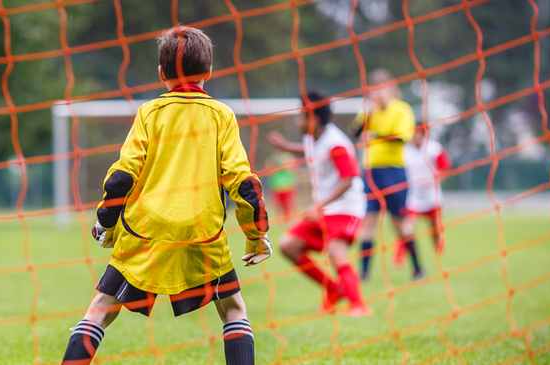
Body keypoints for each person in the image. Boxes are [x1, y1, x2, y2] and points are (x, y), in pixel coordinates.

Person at [60, 25, 270, 365]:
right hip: (202, 233)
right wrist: (255, 235)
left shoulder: (149, 112)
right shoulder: (222, 115)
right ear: (210, 71)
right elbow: (243, 184)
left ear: (161, 74)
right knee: (233, 311)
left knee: (99, 310)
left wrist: (106, 223)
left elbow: (121, 178)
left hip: (145, 232)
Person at [267, 91, 371, 316]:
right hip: (324, 209)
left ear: (313, 120)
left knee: (336, 250)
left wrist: (319, 205)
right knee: (288, 245)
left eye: (300, 116)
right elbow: (309, 151)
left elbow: (349, 177)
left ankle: (359, 305)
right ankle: (334, 289)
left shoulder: (336, 143)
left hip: (346, 208)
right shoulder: (311, 138)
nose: (297, 120)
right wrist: (285, 146)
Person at [351, 69, 419, 281]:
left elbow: (402, 138)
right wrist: (369, 113)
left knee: (399, 223)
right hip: (371, 172)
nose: (377, 91)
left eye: (381, 86)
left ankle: (418, 268)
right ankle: (364, 273)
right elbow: (354, 132)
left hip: (394, 172)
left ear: (391, 87)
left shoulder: (402, 109)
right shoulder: (369, 110)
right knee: (368, 221)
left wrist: (375, 135)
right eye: (374, 87)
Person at [396, 122, 452, 267]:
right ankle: (398, 257)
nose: (414, 136)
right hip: (412, 196)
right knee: (407, 226)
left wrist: (436, 181)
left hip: (432, 196)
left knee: (434, 227)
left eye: (417, 133)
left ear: (424, 134)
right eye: (413, 133)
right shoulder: (404, 150)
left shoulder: (434, 149)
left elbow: (445, 167)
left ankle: (439, 249)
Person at [264, 147, 299, 219]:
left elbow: (292, 168)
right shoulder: (271, 159)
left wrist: (282, 165)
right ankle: (281, 221)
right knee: (278, 206)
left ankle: (290, 220)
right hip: (276, 186)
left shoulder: (287, 157)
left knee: (289, 205)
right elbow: (268, 171)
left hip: (288, 186)